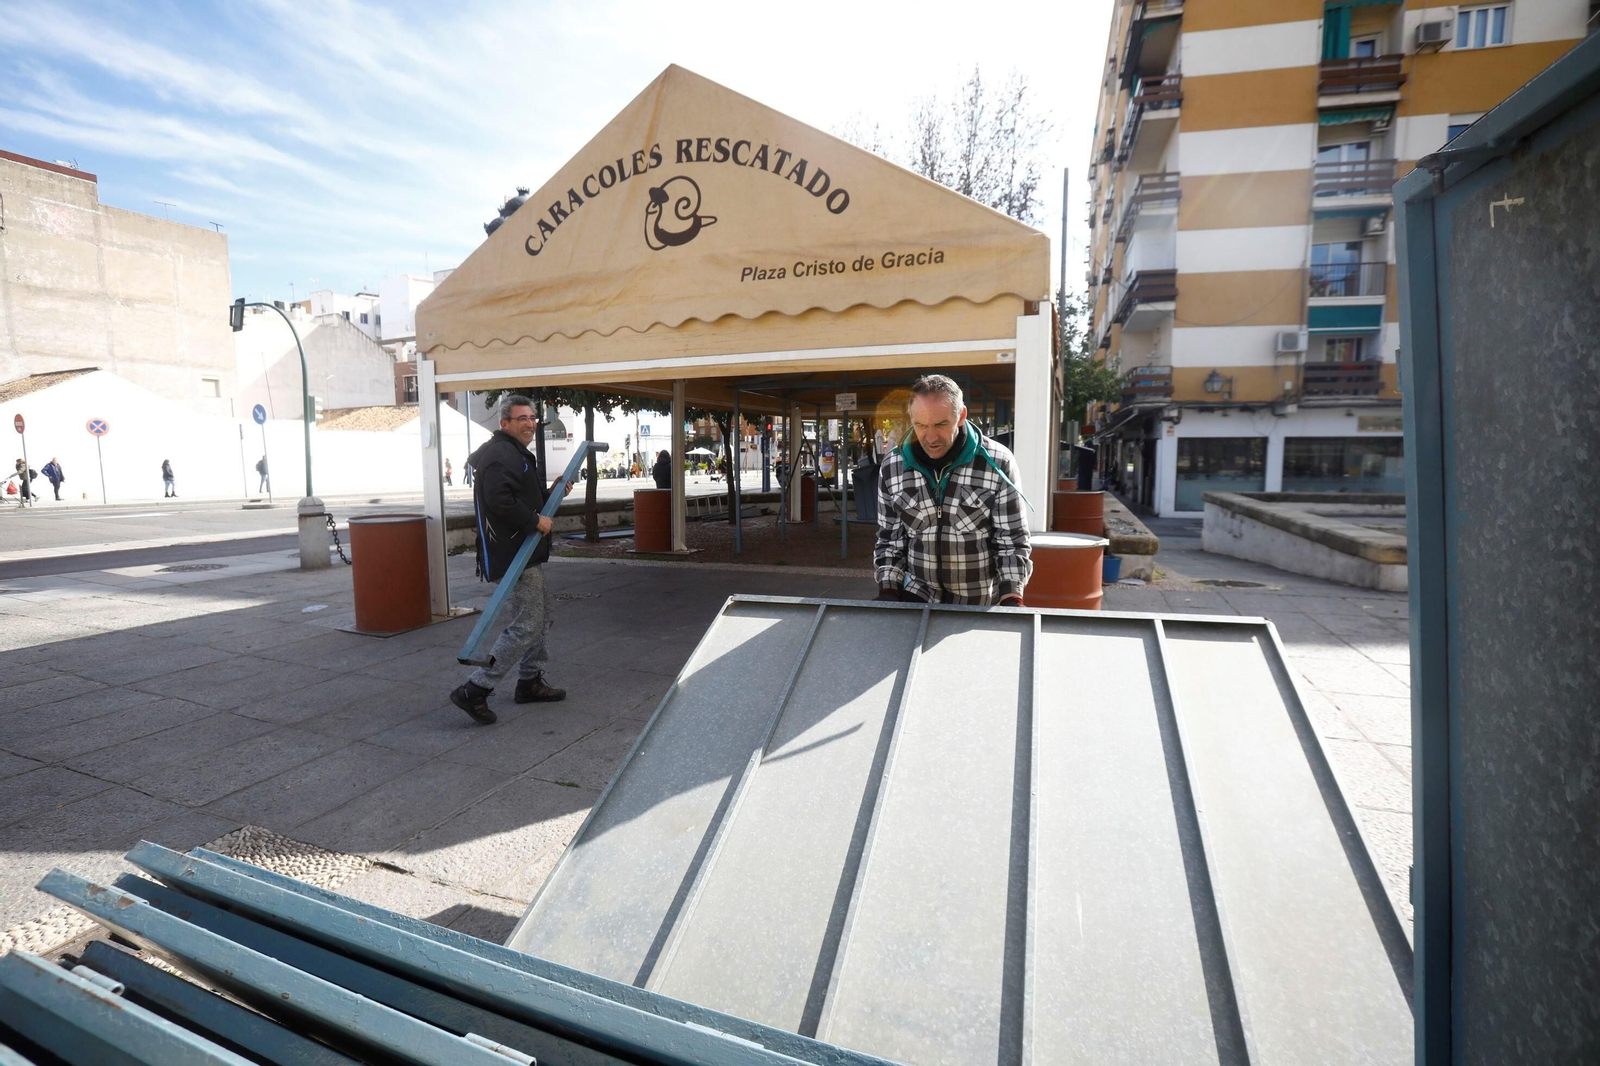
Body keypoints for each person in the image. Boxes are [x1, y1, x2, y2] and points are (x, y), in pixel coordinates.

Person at [450, 395, 575, 725]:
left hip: (523, 551)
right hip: (512, 553)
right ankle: (475, 689)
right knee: (526, 624)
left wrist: (552, 493)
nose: (530, 424)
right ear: (504, 423)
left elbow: (521, 497)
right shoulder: (502, 453)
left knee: (543, 615)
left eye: (533, 418)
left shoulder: (515, 454)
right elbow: (498, 499)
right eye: (522, 419)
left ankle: (529, 681)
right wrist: (534, 522)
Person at [874, 374, 1032, 606]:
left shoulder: (998, 463)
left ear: (961, 416)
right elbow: (890, 540)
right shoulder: (892, 467)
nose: (930, 437)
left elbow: (1012, 541)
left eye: (940, 424)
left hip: (977, 603)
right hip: (917, 598)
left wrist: (1012, 598)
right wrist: (889, 591)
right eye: (920, 425)